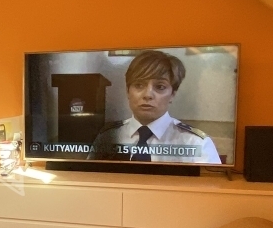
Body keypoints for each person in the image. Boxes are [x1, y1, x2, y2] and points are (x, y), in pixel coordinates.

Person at [89, 49, 221, 164]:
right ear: (128, 91)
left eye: (160, 87)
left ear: (172, 94)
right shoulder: (107, 136)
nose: (148, 95)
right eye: (139, 85)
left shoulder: (196, 143)